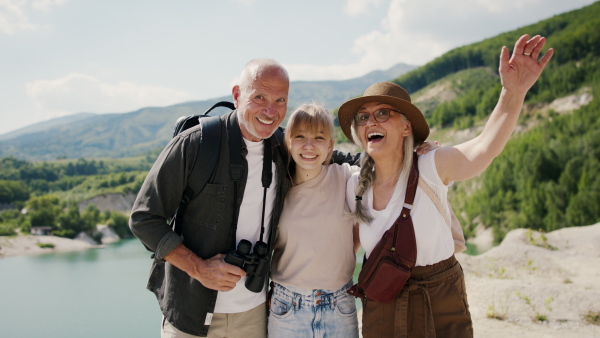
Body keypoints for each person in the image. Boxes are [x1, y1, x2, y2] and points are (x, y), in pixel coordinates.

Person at [337, 34, 553, 337]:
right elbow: (348, 244)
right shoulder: (354, 185)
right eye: (363, 117)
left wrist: (512, 92)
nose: (371, 121)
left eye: (383, 113)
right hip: (382, 298)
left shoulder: (430, 165)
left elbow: (485, 148)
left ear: (406, 127)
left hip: (438, 295)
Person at [130, 59, 291, 338]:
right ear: (237, 95)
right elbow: (144, 218)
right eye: (259, 97)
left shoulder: (284, 149)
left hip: (253, 315)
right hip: (191, 313)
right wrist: (199, 268)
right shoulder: (196, 143)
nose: (270, 110)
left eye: (280, 100)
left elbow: (333, 160)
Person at [268, 104, 360, 338]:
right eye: (300, 136)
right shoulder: (275, 189)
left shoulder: (347, 177)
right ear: (288, 141)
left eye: (319, 137)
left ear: (330, 146)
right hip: (287, 307)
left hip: (340, 305)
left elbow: (389, 165)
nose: (309, 146)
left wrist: (419, 150)